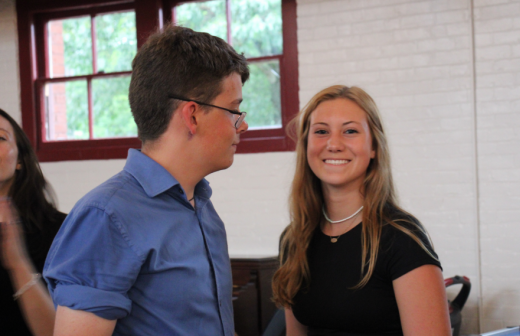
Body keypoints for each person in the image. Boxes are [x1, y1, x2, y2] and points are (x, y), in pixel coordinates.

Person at [43, 25, 249, 336]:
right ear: (192, 115)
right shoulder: (105, 217)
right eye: (234, 111)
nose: (243, 125)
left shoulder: (202, 207)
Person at [272, 85, 452, 336]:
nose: (333, 144)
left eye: (350, 131)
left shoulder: (401, 238)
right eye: (321, 131)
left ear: (374, 147)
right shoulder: (294, 239)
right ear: (305, 145)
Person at [0, 108, 67, 336]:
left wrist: (17, 262)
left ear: (19, 158)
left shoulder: (61, 232)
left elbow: (59, 331)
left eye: (0, 137)